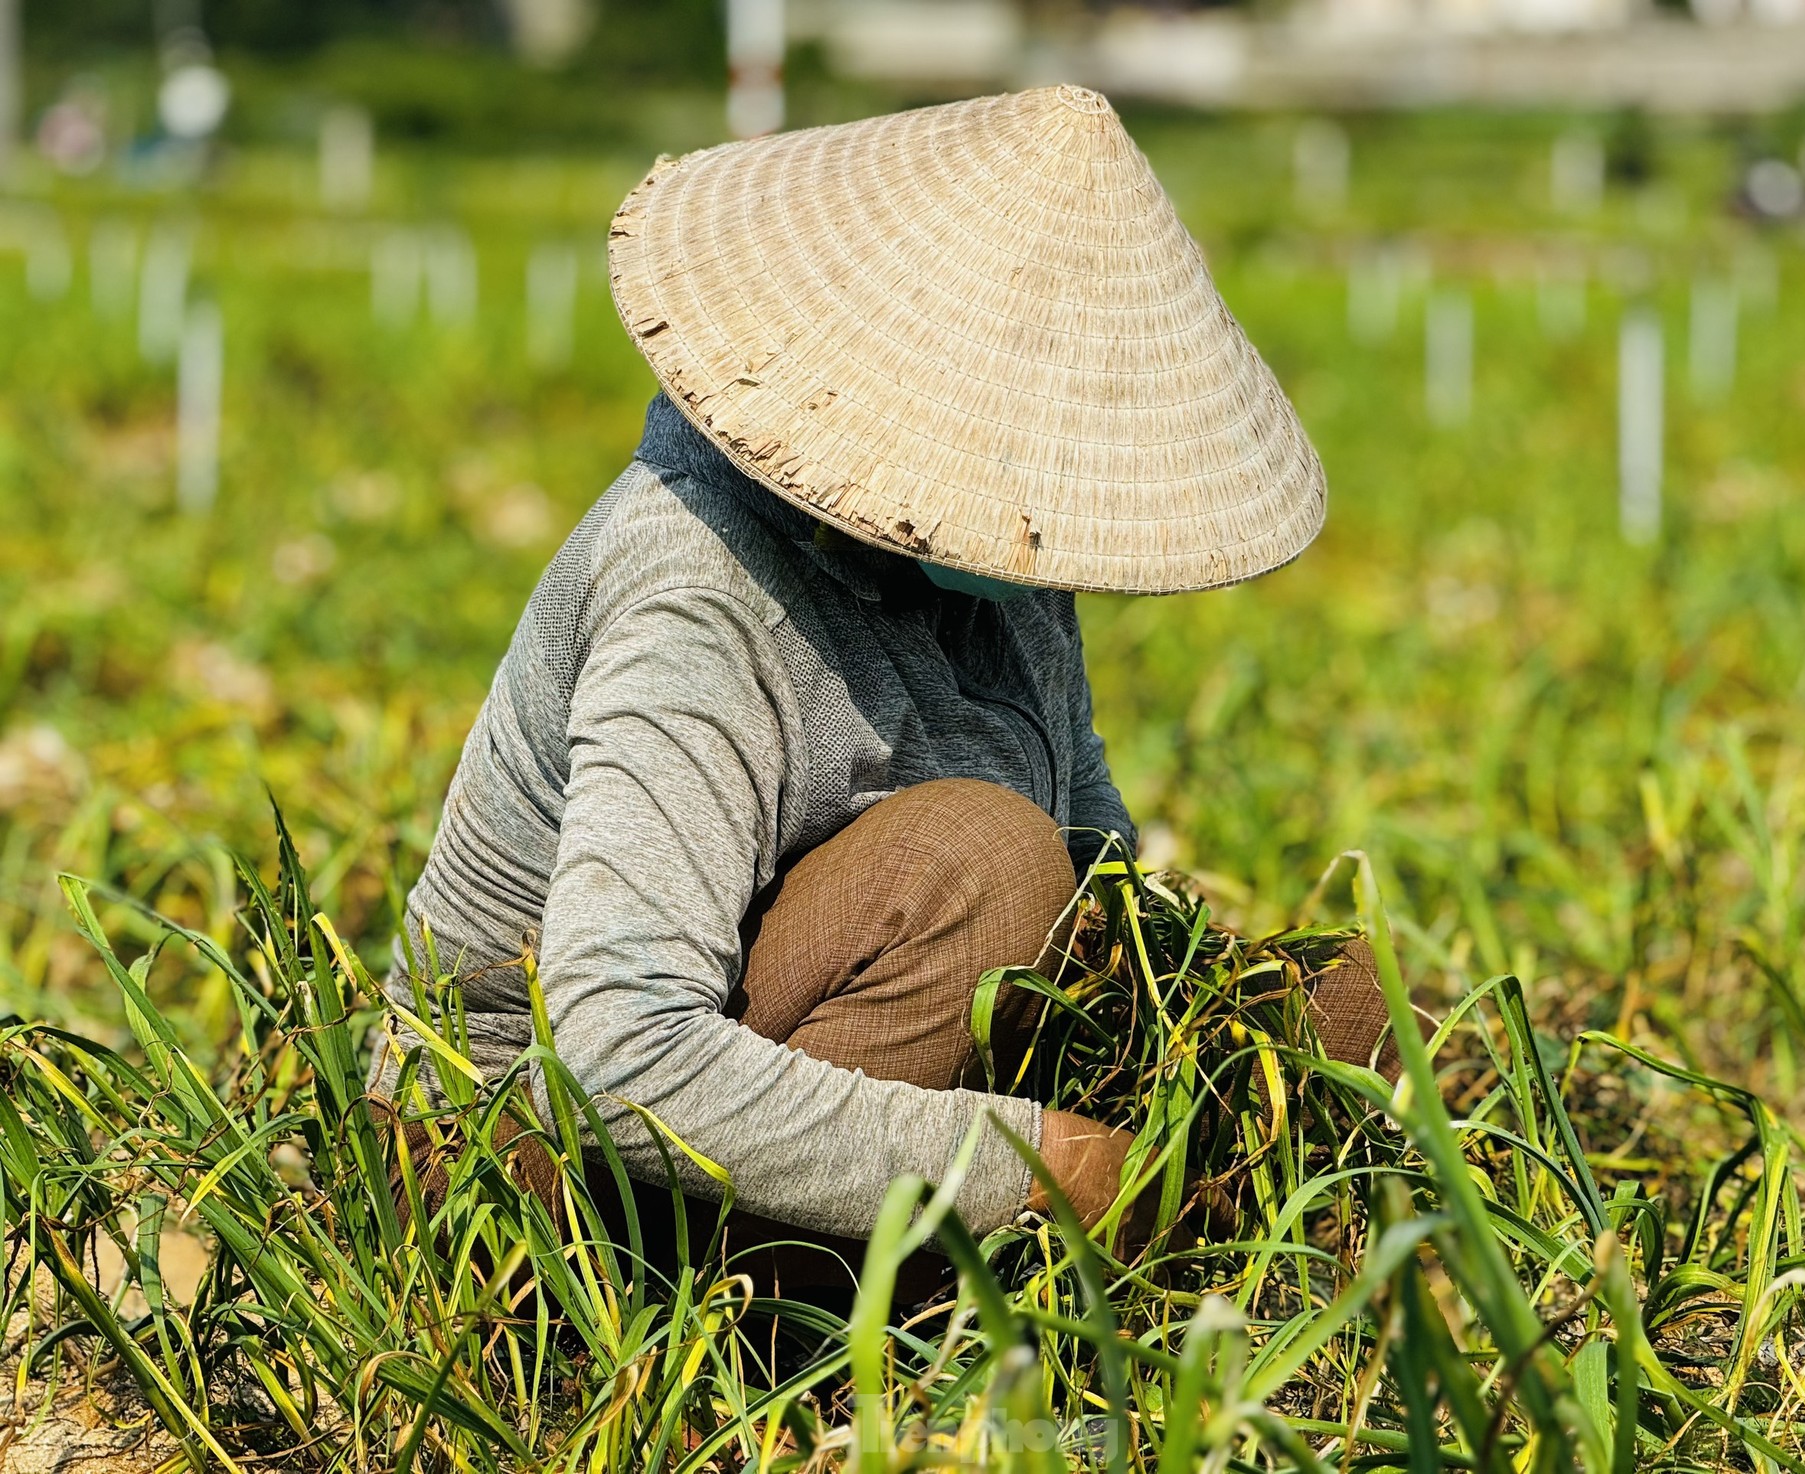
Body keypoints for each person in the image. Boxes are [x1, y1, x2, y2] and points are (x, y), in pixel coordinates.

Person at [370, 86, 1387, 1281]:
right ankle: (759, 1322)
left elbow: (1096, 872)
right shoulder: (701, 598)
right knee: (973, 864)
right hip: (537, 1159)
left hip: (816, 1029)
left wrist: (1200, 1043)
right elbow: (619, 1048)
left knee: (1335, 1004)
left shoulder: (997, 531)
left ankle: (1063, 1279)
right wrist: (1027, 1163)